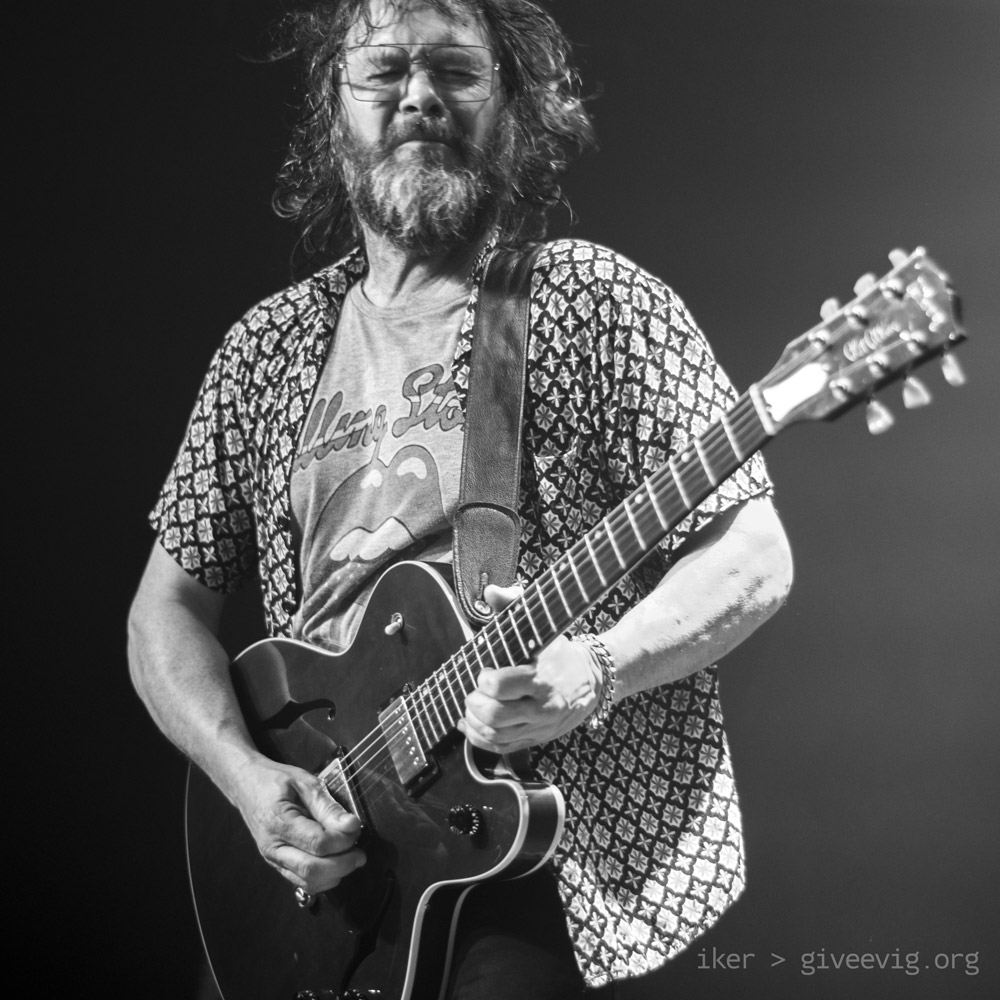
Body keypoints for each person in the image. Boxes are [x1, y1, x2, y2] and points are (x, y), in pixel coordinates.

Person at [128, 1, 794, 997]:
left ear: (507, 104)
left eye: (455, 70)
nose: (420, 98)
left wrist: (596, 669)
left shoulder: (593, 303)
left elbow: (753, 554)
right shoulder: (261, 351)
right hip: (314, 871)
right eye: (385, 71)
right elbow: (162, 612)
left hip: (524, 852)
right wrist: (247, 779)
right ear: (332, 104)